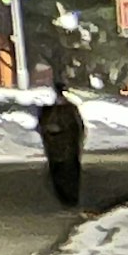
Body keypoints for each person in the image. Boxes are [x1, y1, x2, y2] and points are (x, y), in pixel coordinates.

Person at [40, 77, 88, 210]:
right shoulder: (70, 109)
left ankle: (66, 198)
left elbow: (43, 128)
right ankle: (70, 198)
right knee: (70, 173)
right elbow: (79, 127)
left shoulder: (48, 110)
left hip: (57, 149)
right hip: (68, 148)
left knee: (59, 173)